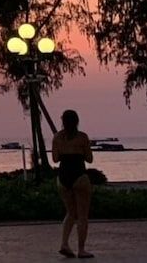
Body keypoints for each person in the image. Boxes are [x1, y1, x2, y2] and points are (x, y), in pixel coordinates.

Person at [52, 109, 94, 259]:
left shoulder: (57, 137)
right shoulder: (82, 137)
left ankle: (64, 243)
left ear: (63, 121)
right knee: (82, 215)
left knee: (70, 212)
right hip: (79, 175)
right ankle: (81, 249)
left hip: (63, 176)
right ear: (77, 121)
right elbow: (89, 159)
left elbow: (55, 159)